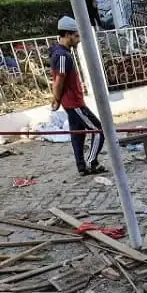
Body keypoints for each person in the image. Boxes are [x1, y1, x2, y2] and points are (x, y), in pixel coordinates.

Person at [50, 16, 104, 177]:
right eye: (76, 36)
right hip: (74, 103)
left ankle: (82, 166)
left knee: (77, 135)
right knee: (98, 130)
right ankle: (91, 162)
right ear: (67, 35)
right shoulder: (61, 55)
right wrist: (56, 100)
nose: (78, 40)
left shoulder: (61, 53)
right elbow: (58, 80)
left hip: (72, 102)